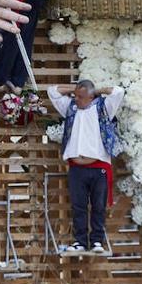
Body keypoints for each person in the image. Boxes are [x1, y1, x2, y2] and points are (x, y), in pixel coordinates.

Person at [48, 80, 125, 254]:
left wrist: (97, 90)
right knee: (78, 206)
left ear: (91, 96)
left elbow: (118, 92)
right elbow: (53, 90)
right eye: (76, 95)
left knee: (98, 205)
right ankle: (80, 241)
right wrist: (75, 90)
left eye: (81, 96)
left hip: (98, 166)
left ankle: (97, 240)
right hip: (77, 167)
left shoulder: (104, 108)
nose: (77, 99)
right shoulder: (71, 107)